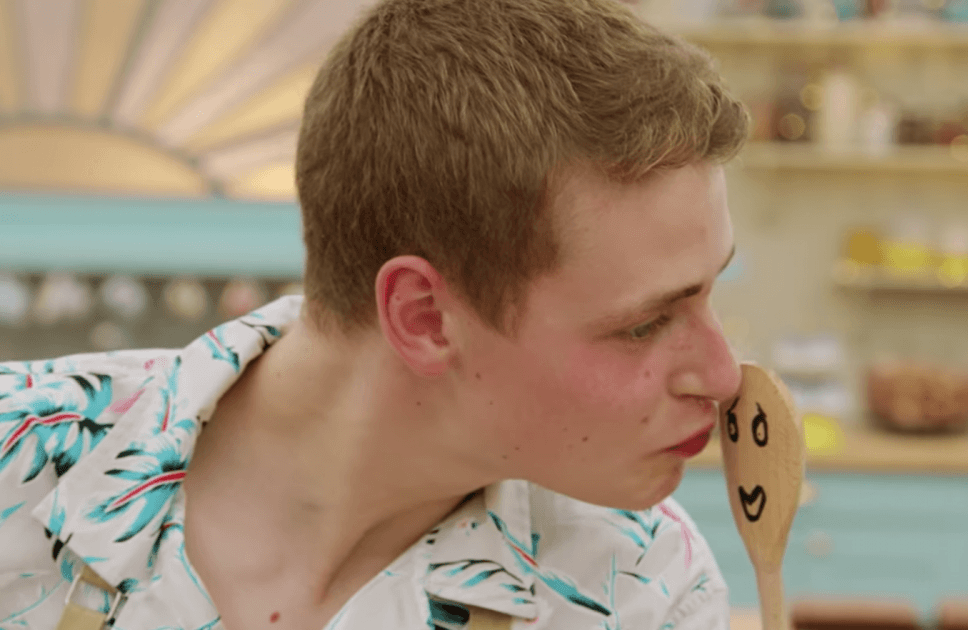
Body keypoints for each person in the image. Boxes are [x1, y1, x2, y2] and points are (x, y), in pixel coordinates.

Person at [0, 0, 749, 627]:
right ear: (424, 318)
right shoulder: (16, 460)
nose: (723, 377)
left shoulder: (649, 589)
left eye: (709, 290)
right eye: (644, 325)